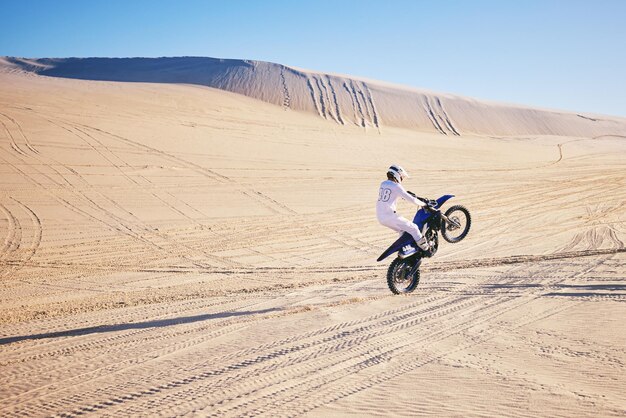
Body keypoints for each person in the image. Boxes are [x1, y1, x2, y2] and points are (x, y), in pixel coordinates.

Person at [376, 164, 430, 250]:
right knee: (414, 228)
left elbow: (392, 194)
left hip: (380, 217)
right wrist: (424, 204)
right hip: (389, 216)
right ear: (397, 175)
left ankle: (405, 249)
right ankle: (426, 248)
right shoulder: (396, 186)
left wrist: (404, 195)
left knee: (402, 231)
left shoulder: (383, 184)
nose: (401, 179)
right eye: (402, 177)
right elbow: (412, 200)